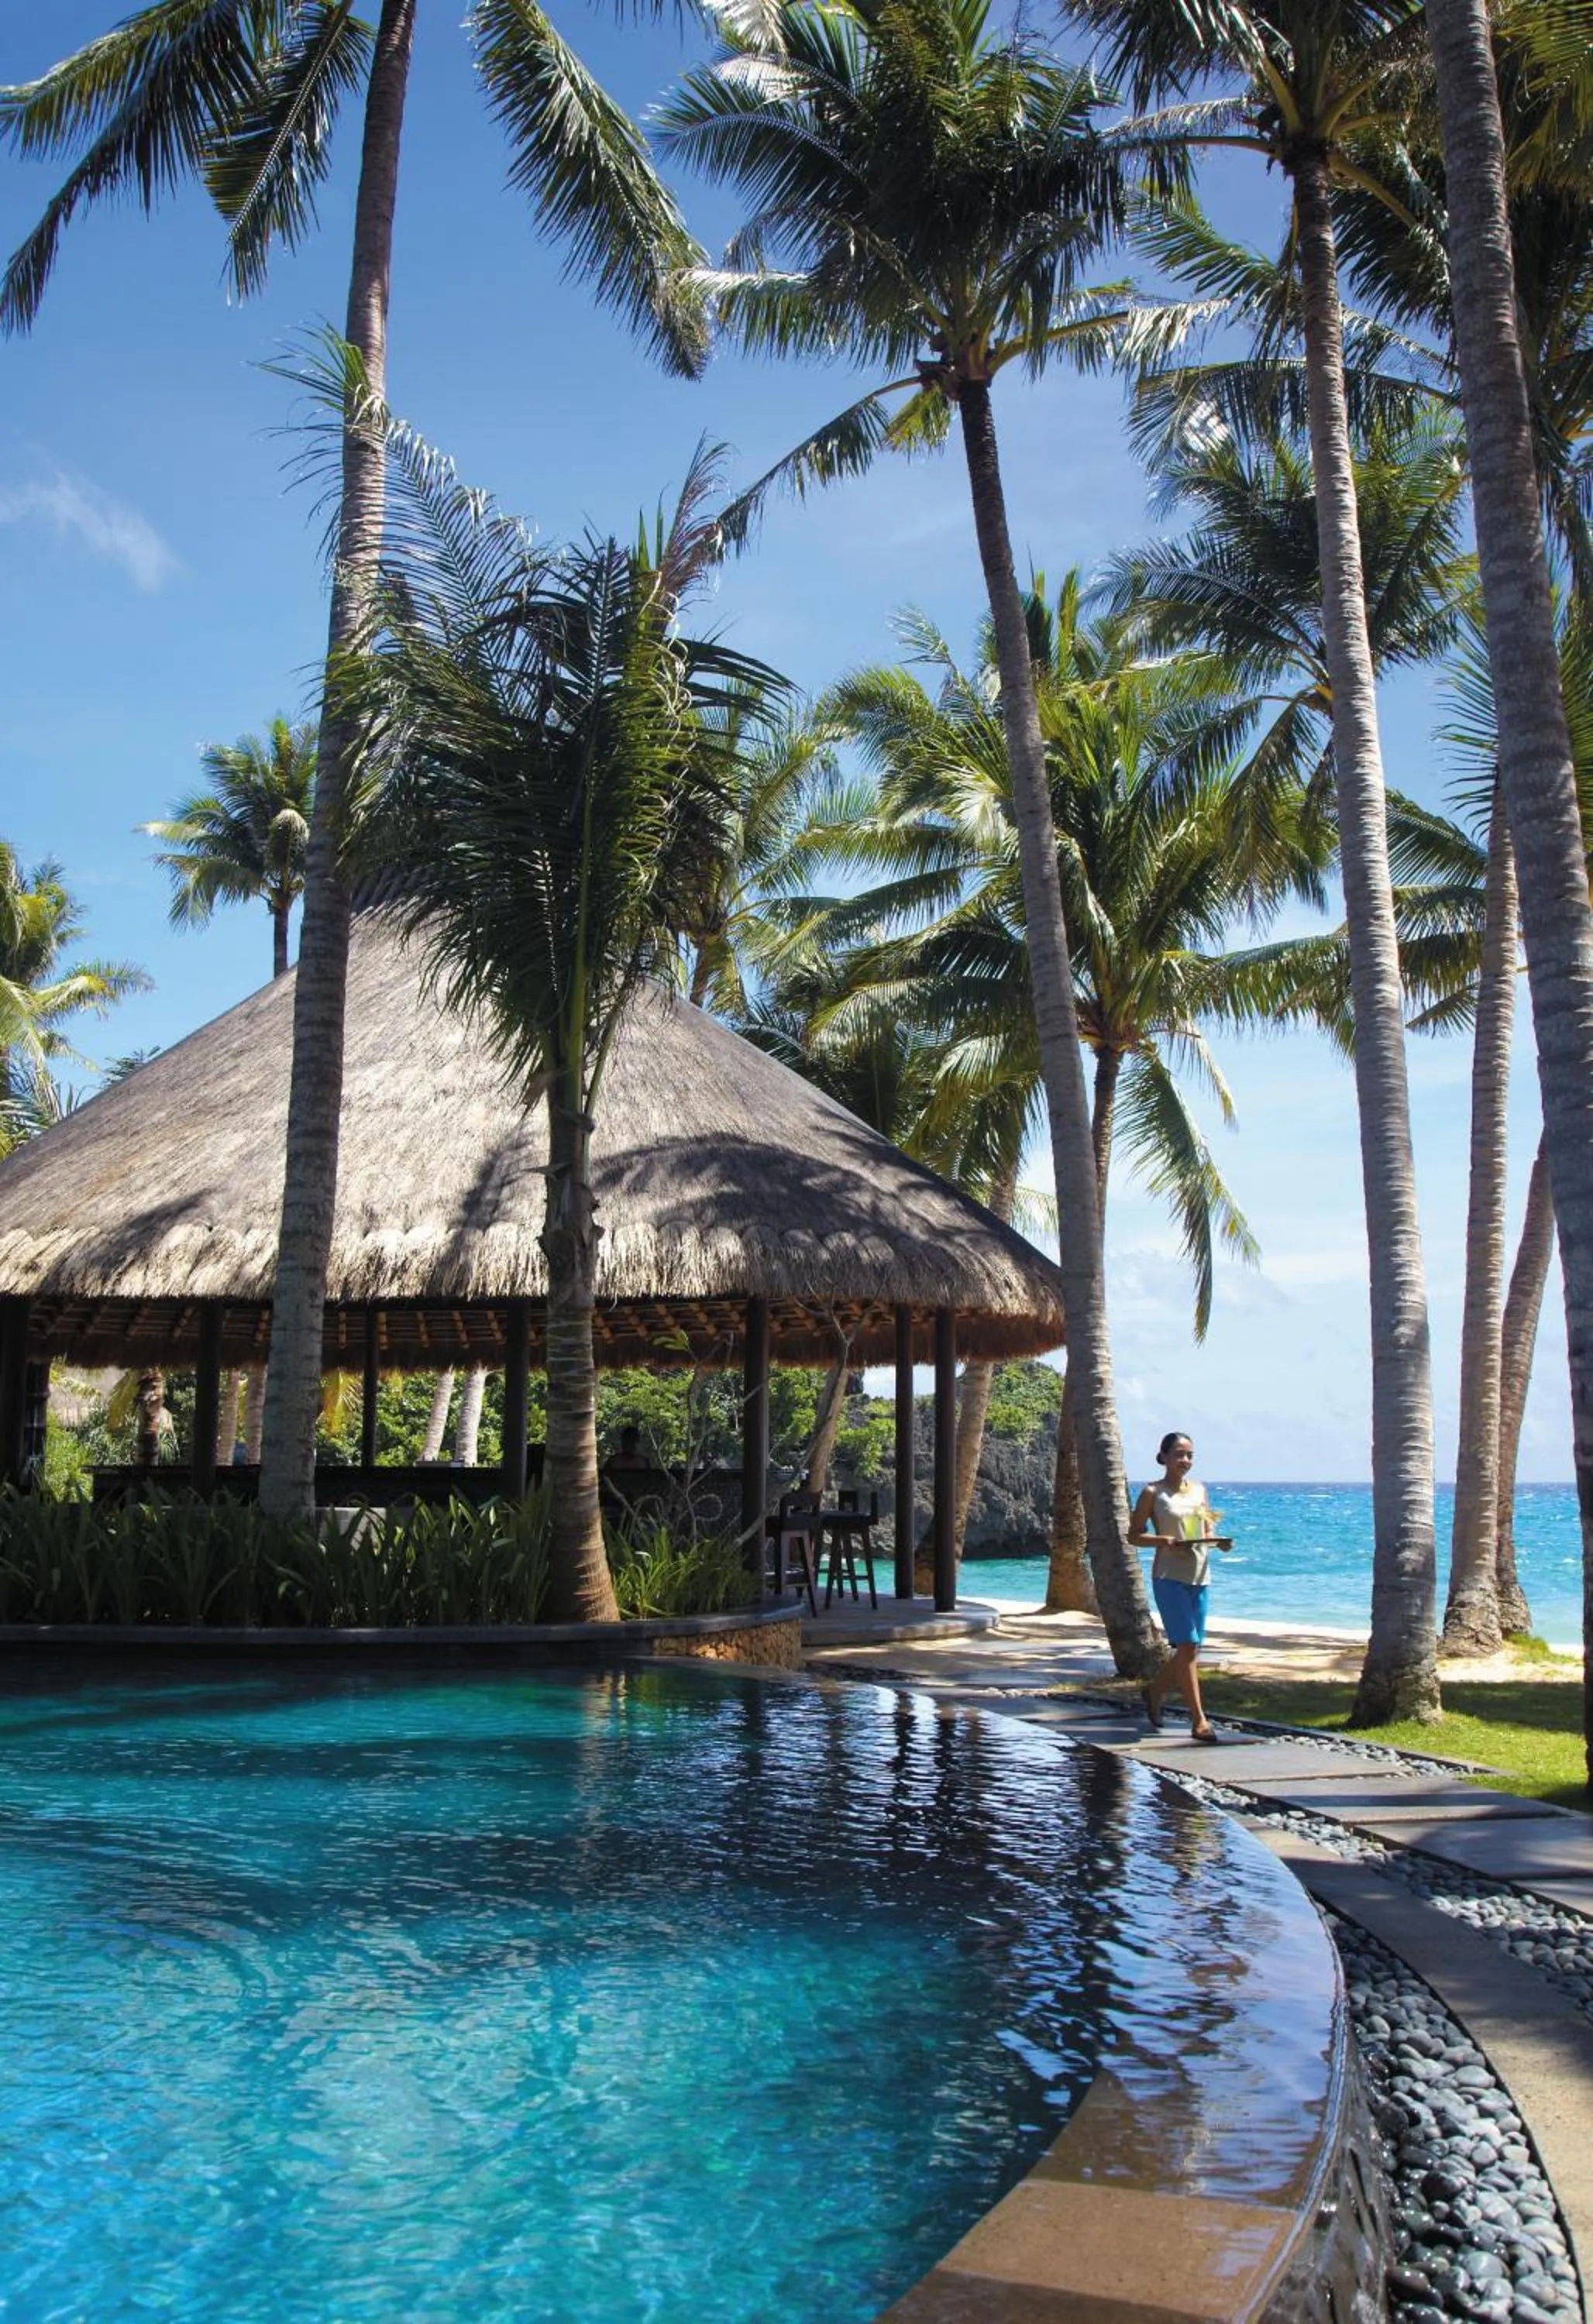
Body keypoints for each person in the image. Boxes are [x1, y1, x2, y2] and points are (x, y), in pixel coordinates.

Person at [1129, 1431, 1230, 1744]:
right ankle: (1199, 1720)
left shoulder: (1200, 1490)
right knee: (1186, 1646)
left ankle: (1155, 1691)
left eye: (1189, 1455)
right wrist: (1164, 1541)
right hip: (1169, 1576)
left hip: (1200, 1574)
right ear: (1164, 1457)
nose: (1184, 1460)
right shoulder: (1152, 1493)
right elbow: (1134, 1536)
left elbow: (1207, 1524)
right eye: (1178, 1454)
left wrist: (1217, 1540)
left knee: (1192, 1648)